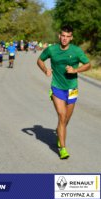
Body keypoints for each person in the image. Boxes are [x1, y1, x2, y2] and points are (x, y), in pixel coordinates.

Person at [37, 25, 91, 159]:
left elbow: (88, 64)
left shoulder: (77, 51)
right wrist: (45, 70)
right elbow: (39, 60)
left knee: (66, 119)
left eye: (68, 36)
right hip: (57, 87)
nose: (65, 39)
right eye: (63, 36)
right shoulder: (52, 49)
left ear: (71, 38)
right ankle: (63, 148)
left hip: (72, 88)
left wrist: (75, 70)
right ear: (59, 36)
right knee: (62, 116)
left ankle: (59, 132)